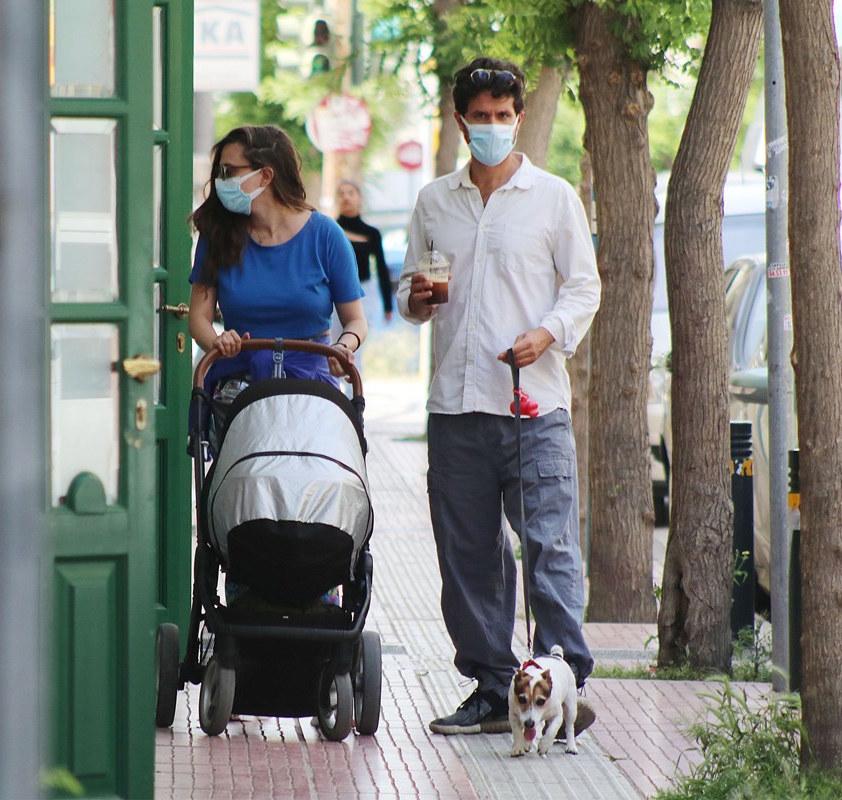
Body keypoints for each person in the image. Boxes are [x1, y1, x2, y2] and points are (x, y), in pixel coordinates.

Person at [396, 58, 601, 736]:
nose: (491, 126)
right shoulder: (434, 201)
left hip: (532, 407)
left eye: (502, 115)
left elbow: (584, 286)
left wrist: (547, 334)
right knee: (468, 557)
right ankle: (491, 688)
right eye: (479, 116)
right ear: (461, 122)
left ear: (518, 118)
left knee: (549, 547)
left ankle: (561, 684)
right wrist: (418, 300)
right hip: (456, 408)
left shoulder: (553, 198)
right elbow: (412, 298)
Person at [189, 125, 369, 393]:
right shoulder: (217, 234)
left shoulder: (326, 235)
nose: (220, 181)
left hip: (312, 388)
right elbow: (198, 318)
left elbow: (356, 321)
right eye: (220, 172)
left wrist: (343, 347)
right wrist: (217, 341)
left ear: (265, 175)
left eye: (229, 172)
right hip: (237, 387)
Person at [335, 180, 394, 324]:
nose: (346, 197)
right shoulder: (329, 229)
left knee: (359, 334)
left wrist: (388, 305)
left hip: (364, 292)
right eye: (341, 194)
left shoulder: (372, 233)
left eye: (350, 193)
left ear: (359, 198)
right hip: (334, 293)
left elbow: (381, 268)